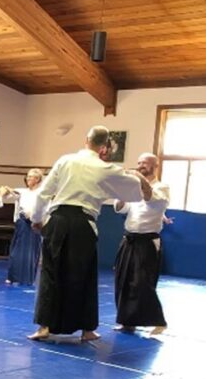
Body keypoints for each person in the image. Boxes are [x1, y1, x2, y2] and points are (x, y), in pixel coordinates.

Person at [29, 126, 149, 342]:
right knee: (83, 275)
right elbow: (136, 191)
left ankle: (44, 327)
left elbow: (43, 192)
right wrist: (137, 174)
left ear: (86, 140)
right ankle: (86, 330)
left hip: (57, 219)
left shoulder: (65, 160)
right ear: (104, 147)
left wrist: (37, 219)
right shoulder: (106, 168)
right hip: (83, 223)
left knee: (50, 272)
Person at [113, 152, 170, 334]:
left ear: (155, 166)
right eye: (138, 162)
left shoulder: (162, 188)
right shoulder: (133, 189)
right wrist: (123, 189)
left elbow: (150, 197)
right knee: (123, 281)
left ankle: (158, 321)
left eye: (145, 163)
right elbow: (119, 208)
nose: (140, 165)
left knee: (142, 283)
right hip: (129, 239)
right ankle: (127, 322)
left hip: (147, 242)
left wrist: (138, 178)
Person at [5, 168, 44, 285]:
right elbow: (10, 193)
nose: (28, 178)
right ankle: (14, 276)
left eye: (31, 176)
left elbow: (43, 208)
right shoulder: (23, 191)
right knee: (16, 250)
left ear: (37, 179)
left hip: (33, 223)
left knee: (30, 251)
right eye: (27, 176)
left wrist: (33, 216)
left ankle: (26, 277)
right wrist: (7, 189)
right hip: (22, 223)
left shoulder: (41, 193)